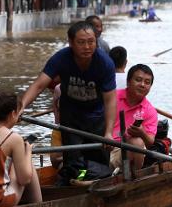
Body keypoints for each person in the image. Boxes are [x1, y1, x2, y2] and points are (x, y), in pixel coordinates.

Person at [20, 21, 117, 183]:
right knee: (73, 160)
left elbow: (110, 100)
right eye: (81, 42)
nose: (87, 47)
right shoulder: (61, 58)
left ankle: (94, 183)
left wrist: (109, 132)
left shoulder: (105, 63)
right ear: (71, 42)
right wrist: (21, 106)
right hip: (71, 117)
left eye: (91, 42)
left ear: (96, 41)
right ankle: (75, 182)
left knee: (99, 159)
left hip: (96, 117)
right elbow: (39, 85)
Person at [110, 64, 158, 173]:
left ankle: (134, 176)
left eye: (147, 82)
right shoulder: (112, 97)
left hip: (123, 151)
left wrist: (142, 133)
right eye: (138, 80)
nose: (142, 85)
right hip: (103, 144)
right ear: (128, 82)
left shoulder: (150, 110)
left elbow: (150, 142)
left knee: (137, 142)